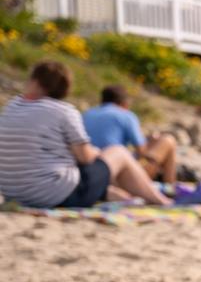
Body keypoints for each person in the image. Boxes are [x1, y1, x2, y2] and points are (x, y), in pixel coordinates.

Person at [0, 61, 170, 207]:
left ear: (35, 82)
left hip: (15, 194)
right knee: (118, 152)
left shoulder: (11, 107)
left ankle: (122, 195)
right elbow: (85, 157)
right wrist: (96, 152)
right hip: (56, 196)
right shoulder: (64, 111)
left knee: (89, 176)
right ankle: (162, 201)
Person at [83, 85, 180, 185]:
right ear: (124, 103)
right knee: (168, 141)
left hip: (92, 172)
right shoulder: (125, 115)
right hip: (118, 177)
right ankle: (171, 187)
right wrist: (152, 142)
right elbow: (142, 152)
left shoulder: (87, 114)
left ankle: (168, 186)